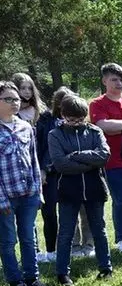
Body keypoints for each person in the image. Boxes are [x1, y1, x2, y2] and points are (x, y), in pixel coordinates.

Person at [47, 95, 113, 286]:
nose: (76, 123)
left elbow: (104, 155)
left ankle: (106, 268)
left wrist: (76, 155)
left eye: (80, 119)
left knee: (99, 229)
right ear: (63, 115)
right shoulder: (55, 134)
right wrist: (90, 163)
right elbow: (61, 164)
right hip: (68, 191)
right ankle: (62, 273)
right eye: (71, 119)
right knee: (66, 233)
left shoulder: (94, 131)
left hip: (94, 188)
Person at [90, 63, 122, 254]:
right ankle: (121, 238)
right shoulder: (97, 103)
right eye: (114, 79)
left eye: (121, 79)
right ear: (104, 81)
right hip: (113, 161)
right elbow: (104, 126)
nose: (119, 83)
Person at [0, 80, 45, 286]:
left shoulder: (26, 127)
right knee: (8, 240)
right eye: (8, 99)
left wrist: (38, 192)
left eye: (16, 99)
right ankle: (14, 279)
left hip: (29, 195)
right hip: (6, 197)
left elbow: (34, 161)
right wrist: (2, 200)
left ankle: (32, 277)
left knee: (29, 237)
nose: (14, 103)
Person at [34, 86, 75, 264]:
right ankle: (51, 250)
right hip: (49, 174)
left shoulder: (76, 120)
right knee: (49, 212)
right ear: (57, 103)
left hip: (68, 172)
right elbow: (41, 146)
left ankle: (67, 247)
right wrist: (42, 169)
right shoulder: (45, 119)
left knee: (68, 213)